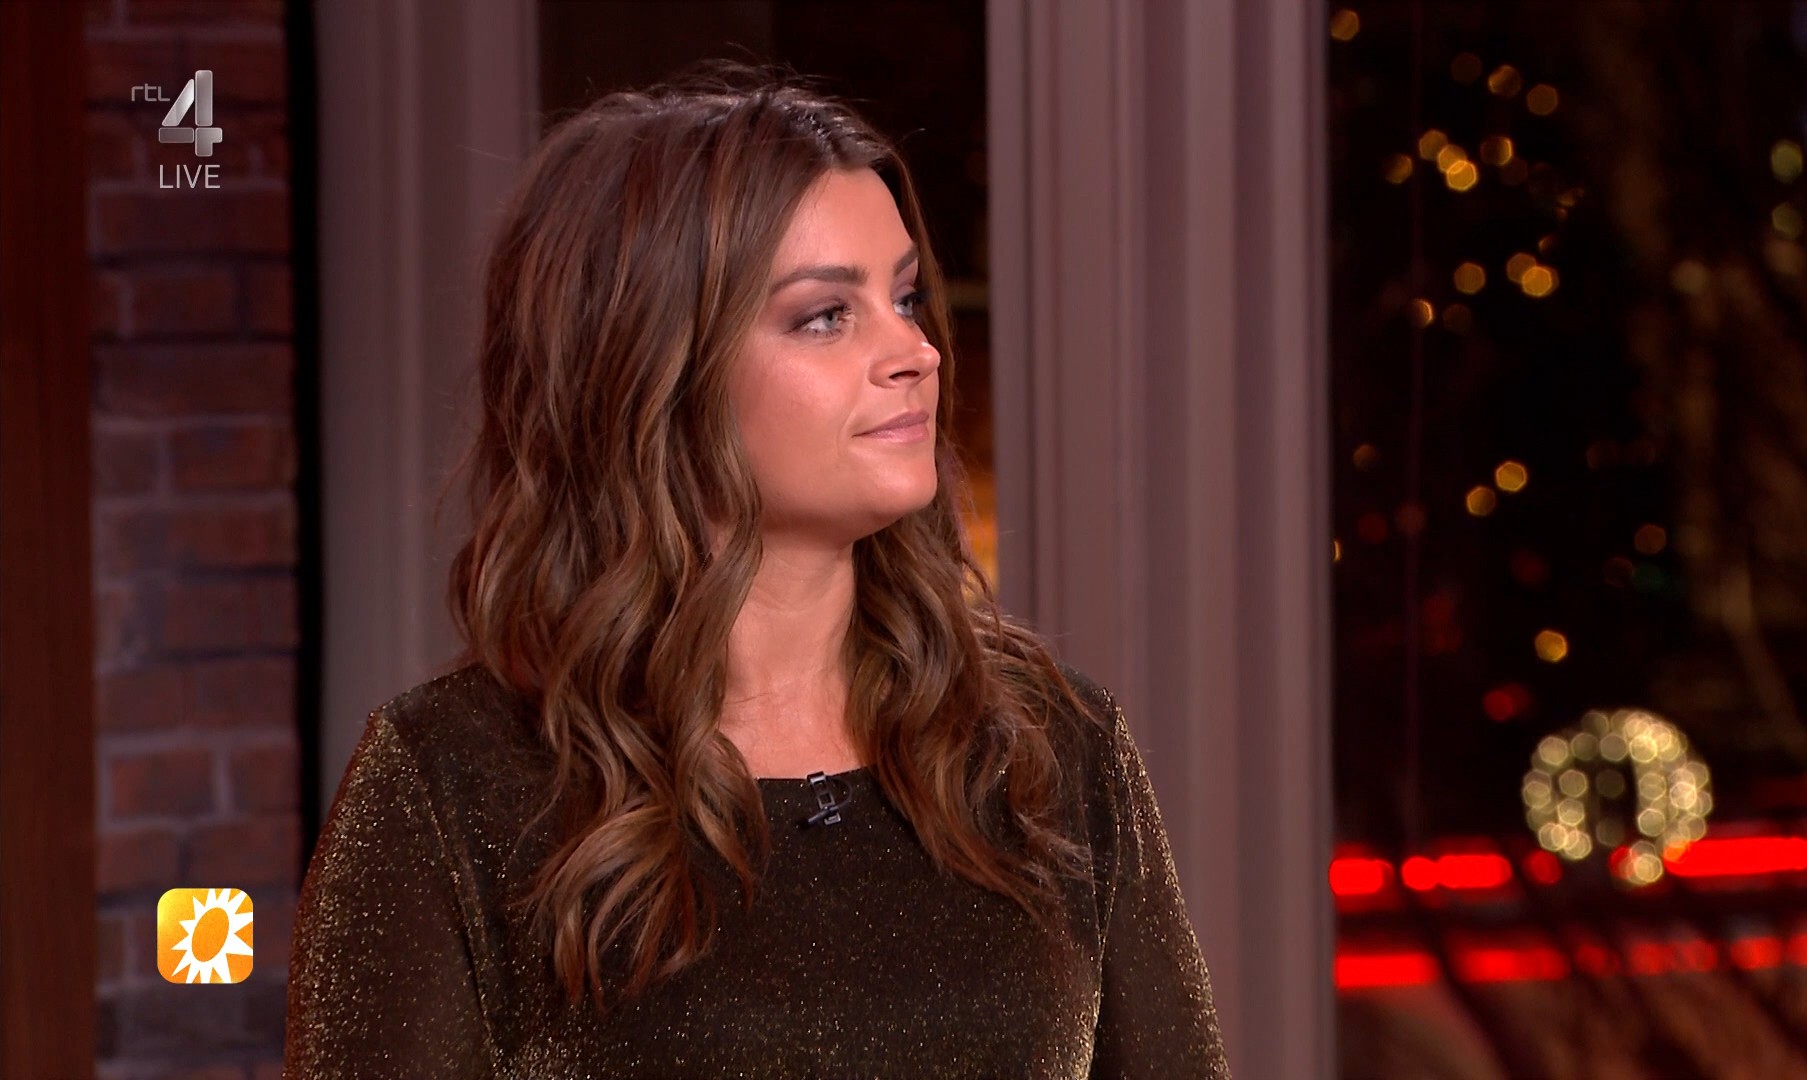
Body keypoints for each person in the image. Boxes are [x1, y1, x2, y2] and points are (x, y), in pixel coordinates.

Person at [283, 66, 1229, 1079]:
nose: (916, 350)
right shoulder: (449, 784)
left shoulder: (1053, 749)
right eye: (826, 316)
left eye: (906, 297)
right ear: (653, 368)